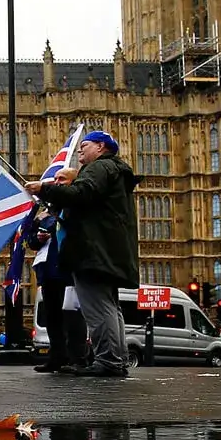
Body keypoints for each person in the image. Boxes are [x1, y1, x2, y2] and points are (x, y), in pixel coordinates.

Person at [29, 130, 140, 378]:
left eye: (85, 146)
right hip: (105, 251)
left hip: (94, 252)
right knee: (110, 307)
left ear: (101, 147)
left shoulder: (99, 169)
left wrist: (44, 189)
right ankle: (117, 359)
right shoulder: (114, 170)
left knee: (98, 309)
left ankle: (109, 361)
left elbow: (80, 194)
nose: (80, 151)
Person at [28, 207, 89, 373]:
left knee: (73, 316)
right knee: (52, 318)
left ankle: (77, 359)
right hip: (48, 272)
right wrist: (38, 236)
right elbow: (31, 242)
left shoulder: (69, 209)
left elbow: (66, 228)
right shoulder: (44, 214)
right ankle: (56, 358)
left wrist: (44, 219)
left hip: (67, 271)